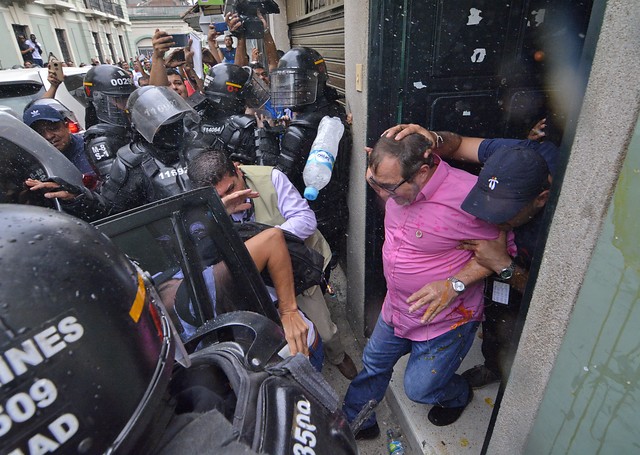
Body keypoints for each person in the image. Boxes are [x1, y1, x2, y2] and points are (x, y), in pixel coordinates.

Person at [0, 204, 357, 454]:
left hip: (269, 340)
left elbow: (272, 240)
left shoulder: (184, 298)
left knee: (305, 344)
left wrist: (290, 310)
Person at [342, 134, 516, 439]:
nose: (383, 194)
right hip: (397, 307)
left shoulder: (468, 197)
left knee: (420, 389)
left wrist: (454, 284)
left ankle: (458, 394)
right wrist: (377, 180)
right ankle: (356, 424)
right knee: (372, 364)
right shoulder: (393, 183)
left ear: (422, 171)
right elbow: (385, 182)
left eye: (390, 187)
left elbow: (501, 254)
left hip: (445, 320)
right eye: (376, 183)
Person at [385, 123, 556, 389]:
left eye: (503, 214)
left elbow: (552, 303)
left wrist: (503, 265)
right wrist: (435, 138)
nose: (489, 220)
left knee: (517, 326)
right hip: (496, 282)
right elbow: (460, 144)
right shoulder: (515, 154)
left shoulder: (564, 225)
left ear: (541, 199)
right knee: (497, 315)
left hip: (524, 275)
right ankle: (493, 364)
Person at [188, 148, 358, 379]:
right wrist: (221, 213)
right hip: (256, 283)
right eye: (219, 197)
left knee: (324, 330)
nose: (231, 198)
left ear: (238, 170)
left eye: (231, 189)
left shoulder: (270, 177)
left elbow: (306, 220)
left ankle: (337, 356)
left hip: (296, 270)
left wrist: (267, 242)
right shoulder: (204, 208)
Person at [265, 47, 352, 261]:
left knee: (312, 271)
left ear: (315, 83)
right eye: (289, 83)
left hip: (312, 217)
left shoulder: (300, 129)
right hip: (335, 210)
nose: (293, 89)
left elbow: (278, 180)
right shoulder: (334, 110)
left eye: (299, 84)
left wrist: (264, 140)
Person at [192, 63, 269, 164]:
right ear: (233, 91)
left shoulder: (195, 117)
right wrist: (265, 135)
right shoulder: (246, 127)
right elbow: (266, 167)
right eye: (247, 89)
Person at [82, 64, 136, 181]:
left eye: (128, 98)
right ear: (99, 99)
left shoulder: (132, 126)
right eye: (118, 99)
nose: (126, 105)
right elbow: (116, 183)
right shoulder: (99, 140)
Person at [22, 104, 93, 176]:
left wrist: (62, 186)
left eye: (53, 128)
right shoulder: (33, 163)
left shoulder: (89, 148)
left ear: (66, 126)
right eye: (39, 133)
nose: (49, 136)